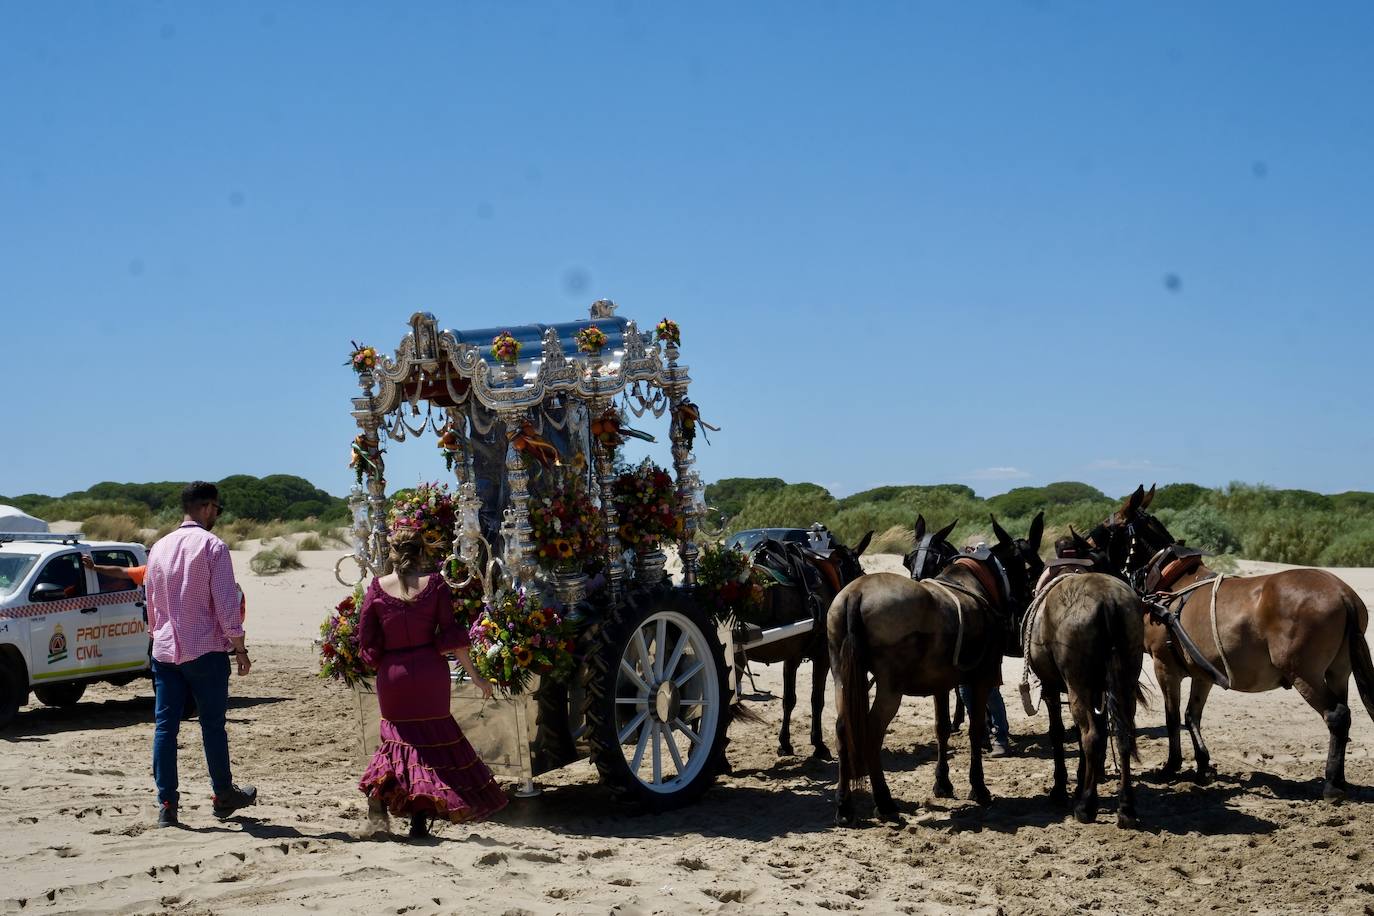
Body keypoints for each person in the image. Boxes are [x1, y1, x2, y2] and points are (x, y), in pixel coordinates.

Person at [357, 525, 508, 839]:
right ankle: (419, 819)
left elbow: (367, 639)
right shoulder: (436, 585)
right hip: (430, 673)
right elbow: (453, 638)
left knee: (395, 740)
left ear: (393, 554)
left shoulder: (377, 586)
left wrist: (380, 663)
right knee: (431, 746)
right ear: (421, 551)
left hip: (394, 673)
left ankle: (378, 796)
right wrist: (477, 677)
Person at [143, 481, 257, 828]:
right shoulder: (213, 546)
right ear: (207, 507)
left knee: (165, 728)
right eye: (217, 509)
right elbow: (225, 602)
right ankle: (223, 795)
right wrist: (239, 646)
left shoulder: (158, 547)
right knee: (212, 726)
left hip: (165, 649)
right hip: (204, 648)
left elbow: (151, 603)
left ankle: (167, 804)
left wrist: (157, 636)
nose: (217, 516)